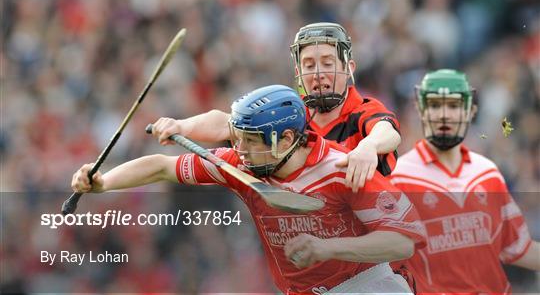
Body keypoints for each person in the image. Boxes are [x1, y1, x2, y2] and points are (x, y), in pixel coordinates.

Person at [73, 85, 427, 295]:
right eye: (237, 139)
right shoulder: (242, 170)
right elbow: (162, 167)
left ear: (286, 139)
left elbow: (403, 240)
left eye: (250, 141)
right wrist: (104, 182)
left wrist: (330, 248)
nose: (238, 150)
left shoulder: (342, 169)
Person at [151, 22, 401, 193]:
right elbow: (228, 123)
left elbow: (387, 132)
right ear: (298, 72)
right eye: (309, 65)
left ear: (349, 69)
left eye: (327, 63)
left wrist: (369, 146)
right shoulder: (292, 115)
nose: (318, 73)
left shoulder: (363, 111)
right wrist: (181, 125)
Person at [389, 69, 540, 295]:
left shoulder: (487, 172)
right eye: (435, 105)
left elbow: (518, 247)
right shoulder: (399, 176)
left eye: (453, 105)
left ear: (471, 111)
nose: (444, 114)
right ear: (421, 111)